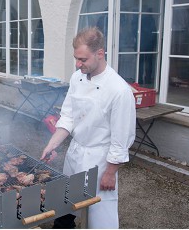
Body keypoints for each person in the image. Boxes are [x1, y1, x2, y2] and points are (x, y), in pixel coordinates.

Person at [41, 27, 136, 229]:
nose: (78, 64)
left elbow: (122, 138)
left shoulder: (119, 90)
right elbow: (68, 116)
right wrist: (53, 144)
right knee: (64, 207)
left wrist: (111, 173)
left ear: (99, 54)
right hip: (76, 153)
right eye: (76, 58)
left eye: (82, 59)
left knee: (100, 217)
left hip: (99, 162)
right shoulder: (77, 78)